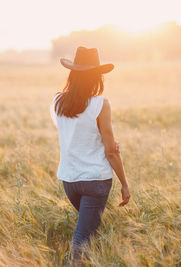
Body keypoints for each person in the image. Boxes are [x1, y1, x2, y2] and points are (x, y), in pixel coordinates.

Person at [49, 46, 130, 265]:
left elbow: (71, 132)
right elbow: (111, 150)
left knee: (87, 230)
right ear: (97, 77)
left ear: (72, 74)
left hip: (70, 181)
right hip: (95, 181)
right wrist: (124, 182)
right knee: (82, 241)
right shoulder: (101, 104)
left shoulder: (57, 102)